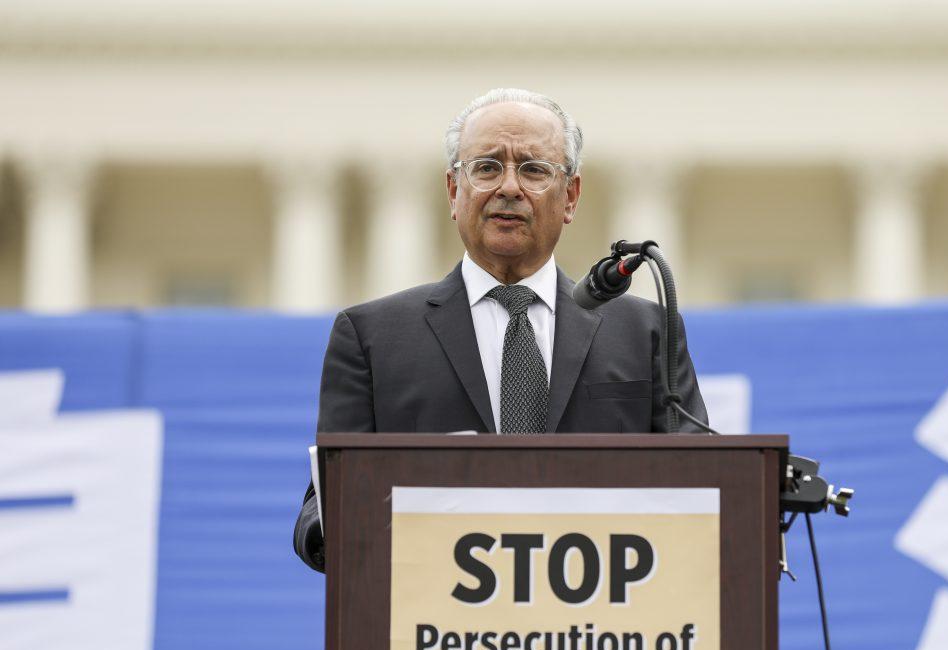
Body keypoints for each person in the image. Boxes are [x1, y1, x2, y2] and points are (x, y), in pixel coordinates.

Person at [293, 88, 708, 572]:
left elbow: (701, 482)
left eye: (533, 169)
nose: (508, 186)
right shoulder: (370, 337)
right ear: (454, 191)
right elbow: (319, 511)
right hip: (433, 625)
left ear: (570, 196)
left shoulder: (645, 332)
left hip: (603, 625)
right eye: (487, 167)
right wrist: (382, 507)